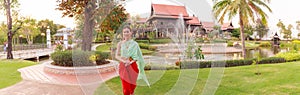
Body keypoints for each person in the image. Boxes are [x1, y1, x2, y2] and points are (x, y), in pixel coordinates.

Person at [115, 25, 150, 95]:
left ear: (131, 33)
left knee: (132, 85)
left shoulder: (135, 44)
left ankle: (132, 93)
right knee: (126, 87)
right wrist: (125, 61)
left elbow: (137, 57)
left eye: (127, 32)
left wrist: (130, 62)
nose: (126, 33)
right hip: (123, 66)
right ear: (122, 33)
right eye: (124, 32)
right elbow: (116, 56)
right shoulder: (120, 44)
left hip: (133, 66)